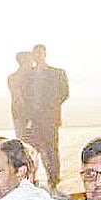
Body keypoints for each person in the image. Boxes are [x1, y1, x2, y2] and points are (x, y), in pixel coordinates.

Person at [27, 45, 69, 188]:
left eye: (40, 53)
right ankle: (34, 178)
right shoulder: (29, 75)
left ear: (45, 54)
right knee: (35, 148)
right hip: (33, 118)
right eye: (35, 54)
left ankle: (54, 179)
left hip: (50, 117)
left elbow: (64, 93)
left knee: (52, 148)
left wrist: (50, 107)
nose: (37, 56)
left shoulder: (57, 73)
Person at [8, 52, 35, 139]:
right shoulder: (14, 77)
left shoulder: (35, 75)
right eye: (30, 60)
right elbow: (17, 96)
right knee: (24, 139)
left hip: (35, 114)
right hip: (21, 113)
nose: (32, 62)